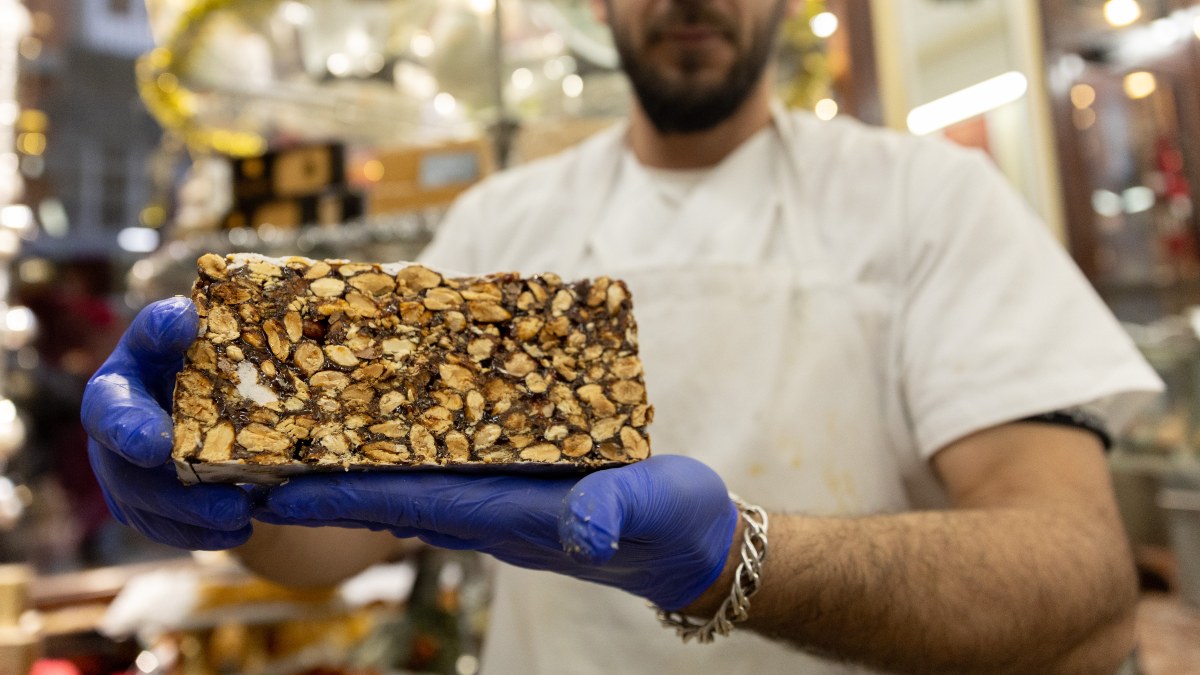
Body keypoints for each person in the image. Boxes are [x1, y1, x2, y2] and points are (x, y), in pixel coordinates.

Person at [83, 0, 1165, 672]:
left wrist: (736, 562)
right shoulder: (502, 222)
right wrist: (230, 483)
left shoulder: (932, 200)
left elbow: (1079, 593)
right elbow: (342, 540)